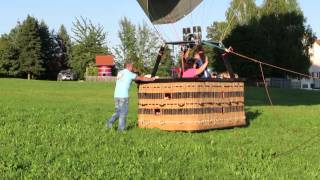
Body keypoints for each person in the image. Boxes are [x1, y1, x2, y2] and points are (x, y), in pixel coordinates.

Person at [106, 62, 155, 131]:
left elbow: (132, 77)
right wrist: (151, 79)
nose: (133, 68)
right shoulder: (129, 74)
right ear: (129, 66)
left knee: (118, 112)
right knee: (123, 113)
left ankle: (109, 123)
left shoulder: (120, 72)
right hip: (123, 96)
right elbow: (141, 78)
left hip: (116, 95)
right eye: (132, 66)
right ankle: (121, 129)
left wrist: (135, 71)